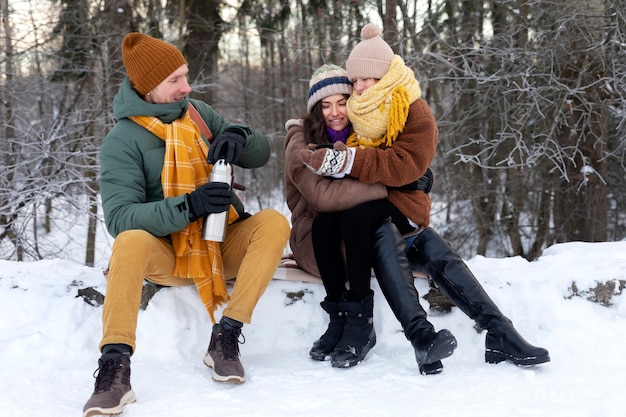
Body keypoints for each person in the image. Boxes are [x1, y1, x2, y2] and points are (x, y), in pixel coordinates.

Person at [300, 23, 550, 370]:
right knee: (421, 246)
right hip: (381, 207)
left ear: (384, 74)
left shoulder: (412, 109)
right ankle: (486, 334)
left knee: (377, 226)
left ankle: (453, 334)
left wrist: (370, 166)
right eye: (354, 81)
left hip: (401, 205)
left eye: (365, 80)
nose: (357, 88)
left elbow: (406, 163)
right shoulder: (359, 110)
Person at [83, 33, 290, 417]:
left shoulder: (195, 113)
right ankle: (115, 369)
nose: (187, 86)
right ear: (148, 87)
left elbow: (260, 154)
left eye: (186, 75)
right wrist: (188, 206)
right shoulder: (122, 140)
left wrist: (237, 135)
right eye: (175, 80)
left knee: (273, 222)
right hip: (169, 255)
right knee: (128, 243)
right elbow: (120, 217)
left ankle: (225, 335)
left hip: (220, 244)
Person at [285, 64, 457, 373]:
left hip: (351, 237)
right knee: (330, 221)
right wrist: (392, 183)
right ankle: (350, 322)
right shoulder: (299, 139)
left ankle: (355, 325)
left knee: (362, 221)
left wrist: (415, 175)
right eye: (325, 105)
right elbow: (324, 198)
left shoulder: (362, 130)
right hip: (314, 241)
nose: (335, 112)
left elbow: (394, 160)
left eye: (341, 102)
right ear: (314, 109)